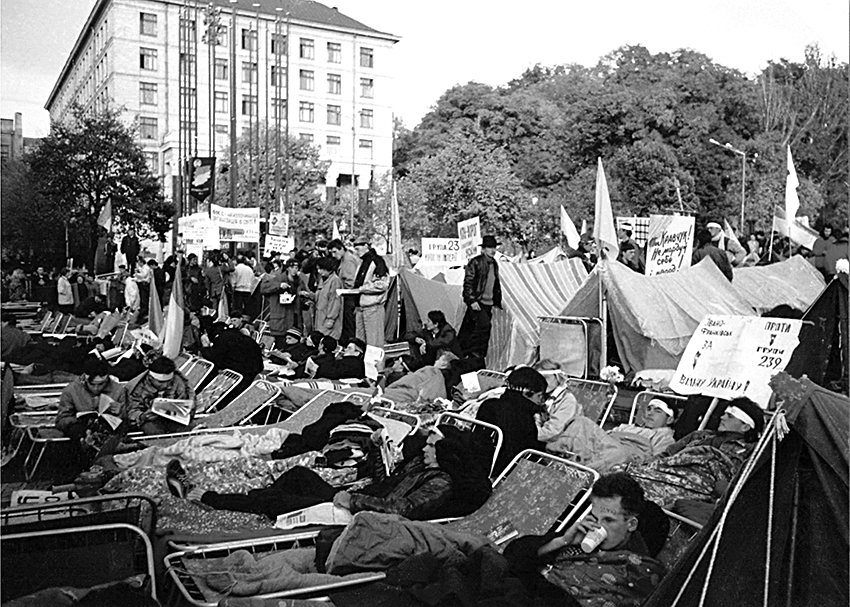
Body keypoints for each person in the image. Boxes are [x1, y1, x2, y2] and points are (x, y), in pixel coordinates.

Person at [166, 424, 492, 521]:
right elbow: (385, 483)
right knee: (297, 476)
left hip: (362, 514)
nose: (424, 448)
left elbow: (402, 509)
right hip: (362, 499)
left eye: (431, 446)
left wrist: (353, 500)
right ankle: (256, 500)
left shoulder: (441, 482)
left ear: (448, 456)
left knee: (288, 498)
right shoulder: (422, 467)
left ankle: (209, 498)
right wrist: (378, 449)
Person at [504, 472, 666, 607]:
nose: (598, 527)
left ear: (631, 524)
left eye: (608, 520)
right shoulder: (577, 539)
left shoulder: (637, 567)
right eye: (595, 517)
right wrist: (562, 540)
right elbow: (512, 555)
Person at [55, 357, 129, 470]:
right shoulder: (71, 390)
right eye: (92, 384)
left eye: (100, 384)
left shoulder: (118, 390)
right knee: (76, 432)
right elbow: (61, 420)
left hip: (108, 429)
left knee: (117, 431)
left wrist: (120, 412)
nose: (96, 388)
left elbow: (125, 419)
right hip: (79, 429)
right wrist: (79, 418)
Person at [476, 366, 548, 475]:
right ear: (528, 393)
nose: (539, 401)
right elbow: (526, 453)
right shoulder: (523, 418)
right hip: (505, 470)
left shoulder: (488, 405)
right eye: (539, 396)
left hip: (480, 461)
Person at [126, 356, 195, 435]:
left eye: (168, 381)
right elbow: (131, 410)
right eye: (160, 382)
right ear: (151, 378)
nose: (165, 385)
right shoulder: (138, 388)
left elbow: (187, 403)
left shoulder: (178, 382)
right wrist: (142, 416)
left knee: (188, 429)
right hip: (149, 421)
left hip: (174, 420)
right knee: (153, 430)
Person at [458, 235, 502, 359]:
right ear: (483, 249)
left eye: (494, 247)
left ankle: (468, 354)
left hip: (488, 303)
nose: (493, 250)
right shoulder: (476, 262)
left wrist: (496, 301)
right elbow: (468, 283)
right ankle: (475, 354)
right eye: (489, 247)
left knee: (472, 329)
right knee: (483, 326)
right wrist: (471, 300)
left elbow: (495, 284)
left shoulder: (494, 263)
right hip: (478, 301)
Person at [200, 313, 264, 396]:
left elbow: (216, 358)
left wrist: (205, 348)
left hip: (240, 372)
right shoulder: (237, 335)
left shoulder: (222, 338)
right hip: (254, 369)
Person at [352, 235, 389, 348]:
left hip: (373, 307)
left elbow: (382, 285)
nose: (357, 252)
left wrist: (362, 289)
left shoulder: (378, 262)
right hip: (360, 307)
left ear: (366, 246)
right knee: (360, 342)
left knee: (374, 343)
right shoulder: (362, 263)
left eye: (358, 249)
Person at [260, 258, 300, 348]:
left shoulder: (299, 280)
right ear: (287, 268)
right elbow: (263, 289)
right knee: (280, 345)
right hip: (280, 320)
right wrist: (278, 286)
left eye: (297, 268)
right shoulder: (276, 278)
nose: (295, 270)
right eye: (292, 267)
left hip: (294, 320)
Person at [329, 238, 362, 342]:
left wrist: (340, 288)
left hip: (349, 295)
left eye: (335, 252)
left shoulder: (348, 260)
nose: (333, 255)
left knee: (349, 323)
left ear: (341, 248)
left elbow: (350, 281)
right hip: (348, 294)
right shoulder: (345, 259)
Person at [313, 257, 343, 340]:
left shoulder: (335, 281)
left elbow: (335, 301)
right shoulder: (322, 280)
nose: (319, 271)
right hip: (320, 317)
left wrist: (331, 319)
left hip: (329, 319)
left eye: (321, 269)